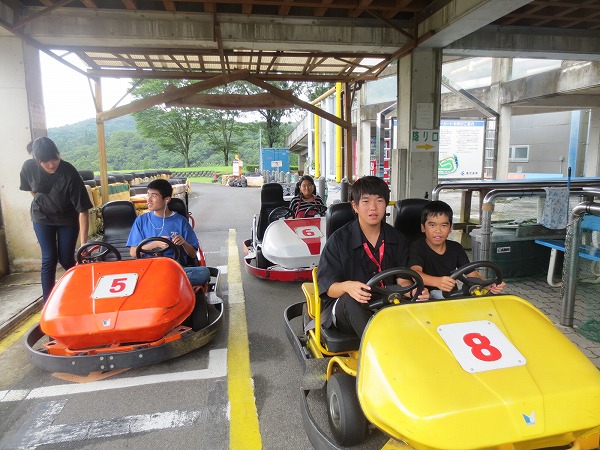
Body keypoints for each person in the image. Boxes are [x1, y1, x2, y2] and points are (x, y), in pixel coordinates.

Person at [317, 176, 429, 338]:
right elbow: (329, 288)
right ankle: (382, 347)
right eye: (366, 201)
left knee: (423, 303)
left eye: (379, 200)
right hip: (346, 309)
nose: (373, 208)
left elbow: (402, 281)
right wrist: (348, 286)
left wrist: (414, 292)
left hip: (386, 302)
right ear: (355, 206)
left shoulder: (397, 238)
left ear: (386, 204)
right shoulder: (338, 240)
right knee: (351, 300)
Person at [19, 137, 93, 301]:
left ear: (58, 154)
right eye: (45, 162)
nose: (52, 164)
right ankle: (48, 302)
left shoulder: (69, 172)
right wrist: (42, 202)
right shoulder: (29, 167)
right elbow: (32, 189)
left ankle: (84, 289)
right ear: (37, 160)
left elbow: (83, 211)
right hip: (41, 217)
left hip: (67, 219)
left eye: (55, 159)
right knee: (49, 258)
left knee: (66, 258)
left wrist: (84, 244)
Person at [408, 200, 506, 299]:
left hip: (451, 296)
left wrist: (489, 284)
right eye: (432, 225)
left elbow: (472, 274)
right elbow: (415, 273)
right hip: (425, 298)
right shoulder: (417, 247)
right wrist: (437, 282)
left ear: (450, 228)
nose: (438, 231)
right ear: (423, 227)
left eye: (444, 225)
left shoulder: (456, 248)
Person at [126, 179, 210, 287]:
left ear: (167, 199)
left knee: (204, 273)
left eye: (154, 196)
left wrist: (183, 243)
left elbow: (193, 254)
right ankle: (166, 282)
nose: (149, 200)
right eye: (148, 195)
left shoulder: (180, 221)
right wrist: (154, 244)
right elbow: (133, 253)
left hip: (174, 268)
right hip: (148, 269)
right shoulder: (141, 220)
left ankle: (161, 282)